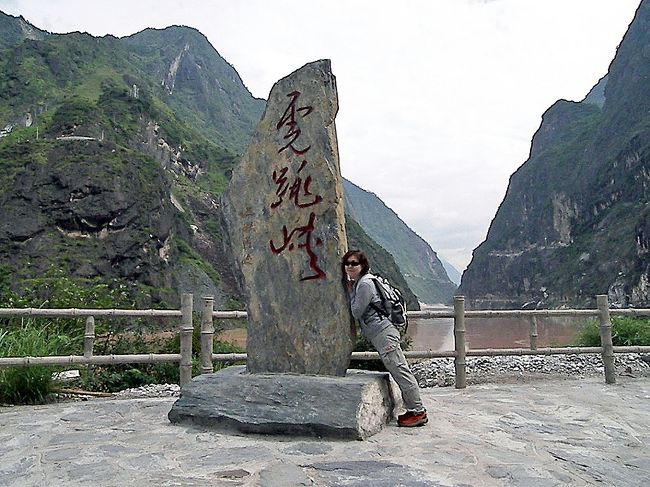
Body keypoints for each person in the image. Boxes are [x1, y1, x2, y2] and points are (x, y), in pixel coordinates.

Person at [342, 249, 428, 427]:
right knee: (398, 368)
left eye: (354, 263)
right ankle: (414, 409)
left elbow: (357, 311)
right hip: (382, 332)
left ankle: (418, 411)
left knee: (399, 369)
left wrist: (350, 291)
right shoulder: (365, 281)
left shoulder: (364, 284)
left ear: (362, 265)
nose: (350, 266)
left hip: (384, 333)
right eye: (347, 263)